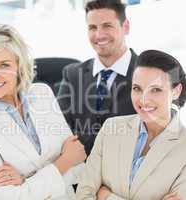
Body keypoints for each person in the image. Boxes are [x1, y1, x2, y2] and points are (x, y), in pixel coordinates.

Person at [0, 24, 86, 200]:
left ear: (19, 65)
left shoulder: (42, 93)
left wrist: (26, 180)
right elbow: (11, 195)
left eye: (4, 65)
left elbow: (78, 165)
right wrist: (63, 161)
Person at [76, 49, 186, 200]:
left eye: (155, 90)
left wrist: (107, 196)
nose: (143, 100)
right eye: (137, 88)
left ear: (176, 91)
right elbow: (83, 194)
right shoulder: (111, 128)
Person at [57, 0, 137, 155]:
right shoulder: (72, 74)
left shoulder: (148, 73)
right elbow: (59, 129)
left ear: (125, 27)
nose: (99, 35)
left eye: (107, 26)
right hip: (80, 171)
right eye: (92, 27)